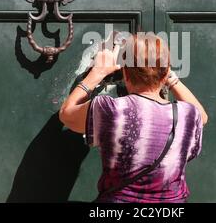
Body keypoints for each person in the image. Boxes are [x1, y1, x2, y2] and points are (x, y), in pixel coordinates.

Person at [59, 32, 208, 203]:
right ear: (165, 73)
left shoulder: (111, 110)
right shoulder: (188, 115)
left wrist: (97, 73)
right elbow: (201, 117)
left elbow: (66, 115)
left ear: (126, 74)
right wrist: (170, 78)